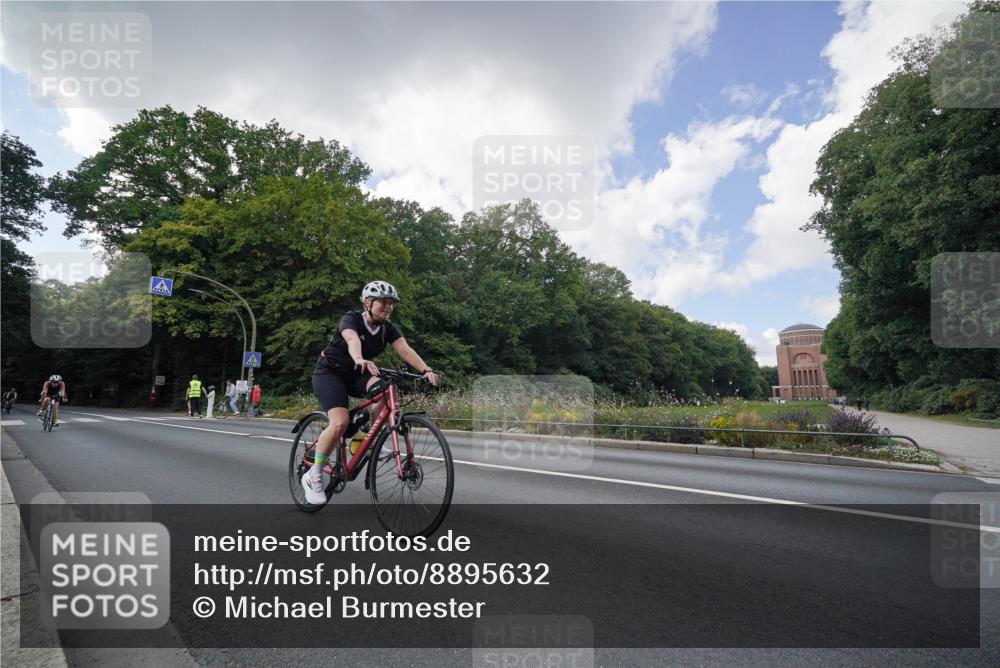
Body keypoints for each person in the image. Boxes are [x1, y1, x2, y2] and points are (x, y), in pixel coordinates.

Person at [302, 281, 439, 506]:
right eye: (384, 302)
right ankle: (314, 474)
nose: (388, 307)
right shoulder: (351, 319)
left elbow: (405, 349)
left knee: (387, 389)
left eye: (391, 303)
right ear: (368, 303)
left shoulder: (387, 329)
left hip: (358, 375)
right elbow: (352, 339)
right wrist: (359, 359)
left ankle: (363, 436)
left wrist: (426, 369)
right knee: (339, 423)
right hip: (330, 373)